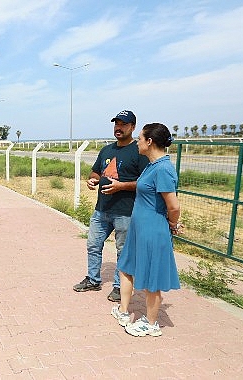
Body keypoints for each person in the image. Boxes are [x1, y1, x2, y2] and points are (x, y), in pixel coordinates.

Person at [111, 123, 182, 337]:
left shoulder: (163, 169)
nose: (137, 142)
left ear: (149, 141)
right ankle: (124, 310)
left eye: (140, 138)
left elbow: (173, 206)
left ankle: (151, 324)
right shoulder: (151, 166)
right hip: (138, 229)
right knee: (125, 266)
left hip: (153, 230)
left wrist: (172, 223)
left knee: (151, 278)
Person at [73, 110, 149, 302]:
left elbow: (145, 182)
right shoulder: (106, 150)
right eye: (116, 124)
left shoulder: (139, 151)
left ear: (132, 127)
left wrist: (121, 186)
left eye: (123, 124)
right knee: (93, 244)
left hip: (125, 212)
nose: (118, 127)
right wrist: (92, 180)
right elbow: (96, 172)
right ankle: (93, 279)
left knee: (122, 250)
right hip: (102, 210)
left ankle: (119, 286)